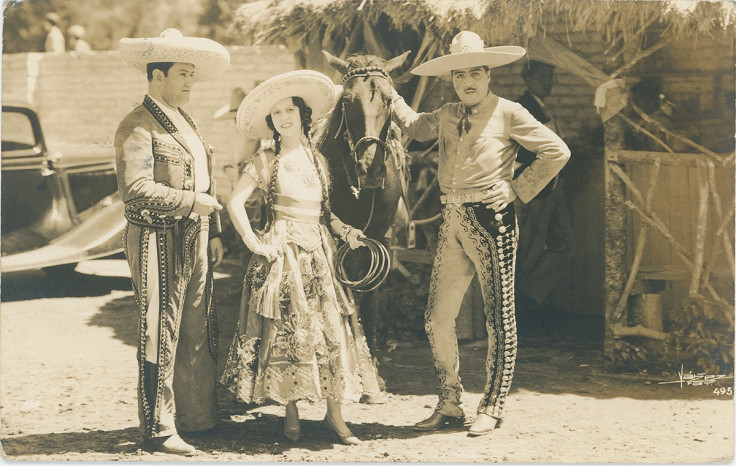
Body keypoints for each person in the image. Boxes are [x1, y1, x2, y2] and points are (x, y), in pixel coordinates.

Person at [391, 31, 570, 436]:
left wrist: (518, 189)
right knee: (437, 317)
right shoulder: (447, 113)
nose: (467, 82)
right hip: (451, 220)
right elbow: (416, 129)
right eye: (459, 75)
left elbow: (557, 151)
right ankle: (450, 403)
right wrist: (391, 96)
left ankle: (492, 406)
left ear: (488, 74)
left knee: (498, 317)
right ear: (452, 79)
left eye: (475, 73)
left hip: (493, 219)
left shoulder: (509, 111)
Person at [219, 70, 384, 445]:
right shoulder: (265, 160)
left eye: (289, 110)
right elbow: (234, 202)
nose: (283, 118)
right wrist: (255, 242)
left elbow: (326, 214)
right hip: (285, 256)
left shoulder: (319, 161)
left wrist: (346, 233)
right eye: (276, 114)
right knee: (289, 333)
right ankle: (290, 416)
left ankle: (335, 417)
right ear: (271, 122)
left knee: (329, 332)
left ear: (303, 114)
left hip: (320, 256)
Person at [115, 28, 230, 456]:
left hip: (195, 236)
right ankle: (158, 428)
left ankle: (197, 416)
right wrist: (191, 203)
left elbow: (206, 178)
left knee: (197, 326)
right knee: (159, 331)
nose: (189, 83)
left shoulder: (186, 121)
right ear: (157, 75)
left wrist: (212, 230)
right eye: (182, 74)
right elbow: (137, 191)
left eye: (191, 75)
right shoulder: (137, 125)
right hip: (155, 239)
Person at [513, 59, 573, 336]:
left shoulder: (542, 107)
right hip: (535, 188)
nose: (548, 83)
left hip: (553, 187)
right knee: (527, 250)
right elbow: (522, 150)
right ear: (529, 79)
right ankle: (519, 310)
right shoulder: (524, 107)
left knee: (564, 243)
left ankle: (528, 294)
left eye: (550, 78)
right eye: (542, 78)